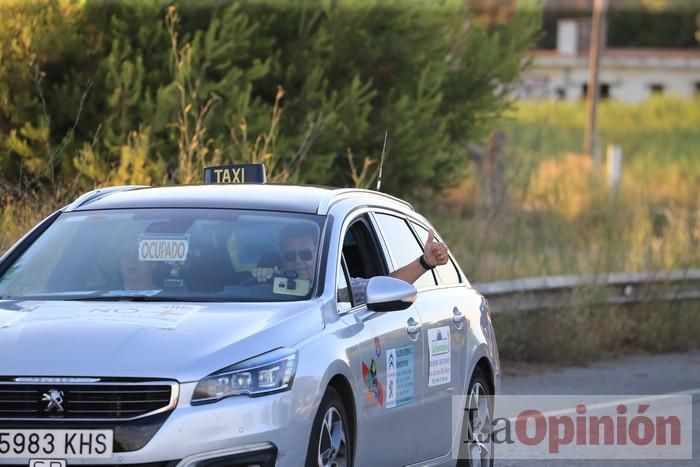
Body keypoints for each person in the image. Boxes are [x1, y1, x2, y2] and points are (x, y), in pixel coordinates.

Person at [251, 222, 449, 303]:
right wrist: (260, 280)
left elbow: (387, 286)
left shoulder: (339, 288)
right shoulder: (268, 285)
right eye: (290, 256)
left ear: (318, 254)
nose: (298, 262)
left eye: (305, 255)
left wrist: (424, 262)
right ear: (282, 260)